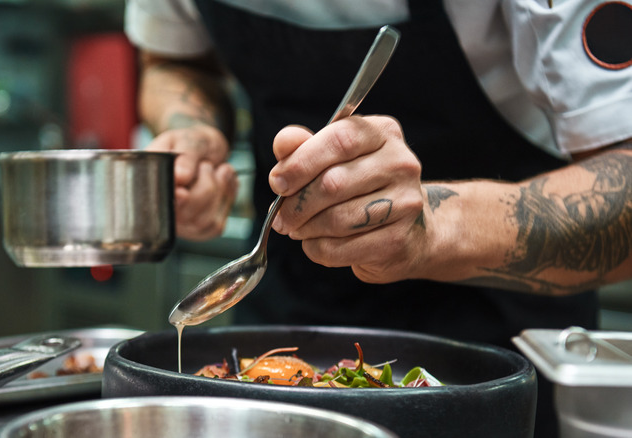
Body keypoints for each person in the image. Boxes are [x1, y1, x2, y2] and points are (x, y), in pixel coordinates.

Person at [124, 1, 632, 436]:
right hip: (281, 313)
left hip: (492, 352)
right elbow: (173, 57)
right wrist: (192, 129)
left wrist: (433, 226)